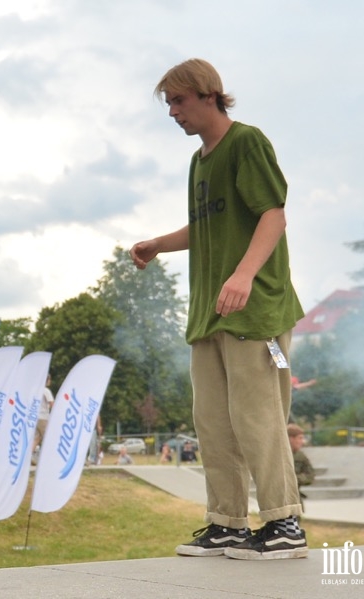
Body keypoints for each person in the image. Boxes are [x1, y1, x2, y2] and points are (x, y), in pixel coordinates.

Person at [130, 58, 307, 560]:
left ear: (208, 94)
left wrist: (244, 275)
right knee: (212, 422)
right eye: (168, 103)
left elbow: (273, 216)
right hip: (211, 313)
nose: (172, 112)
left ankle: (283, 521)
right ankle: (227, 523)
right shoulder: (199, 161)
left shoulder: (246, 143)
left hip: (254, 311)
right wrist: (159, 244)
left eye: (178, 101)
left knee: (258, 417)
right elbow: (207, 226)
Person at [287, 424, 314, 510]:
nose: (302, 441)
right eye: (300, 438)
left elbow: (310, 475)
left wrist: (295, 479)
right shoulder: (277, 455)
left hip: (295, 499)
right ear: (290, 438)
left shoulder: (301, 456)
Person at [35, 374, 55, 452]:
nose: (50, 381)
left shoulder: (37, 390)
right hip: (43, 417)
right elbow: (52, 403)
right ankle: (50, 455)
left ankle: (29, 455)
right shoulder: (46, 391)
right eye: (49, 380)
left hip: (36, 417)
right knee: (48, 438)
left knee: (37, 438)